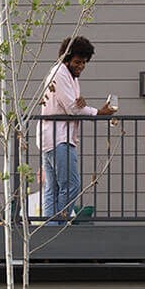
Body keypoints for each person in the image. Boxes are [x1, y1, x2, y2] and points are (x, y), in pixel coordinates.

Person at [38, 35, 113, 219]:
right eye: (77, 62)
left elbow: (75, 105)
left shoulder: (70, 77)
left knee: (53, 187)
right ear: (67, 58)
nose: (81, 66)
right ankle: (59, 224)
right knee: (71, 185)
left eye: (84, 63)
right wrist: (98, 112)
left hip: (52, 137)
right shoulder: (60, 73)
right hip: (59, 138)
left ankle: (50, 226)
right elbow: (73, 108)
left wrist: (80, 105)